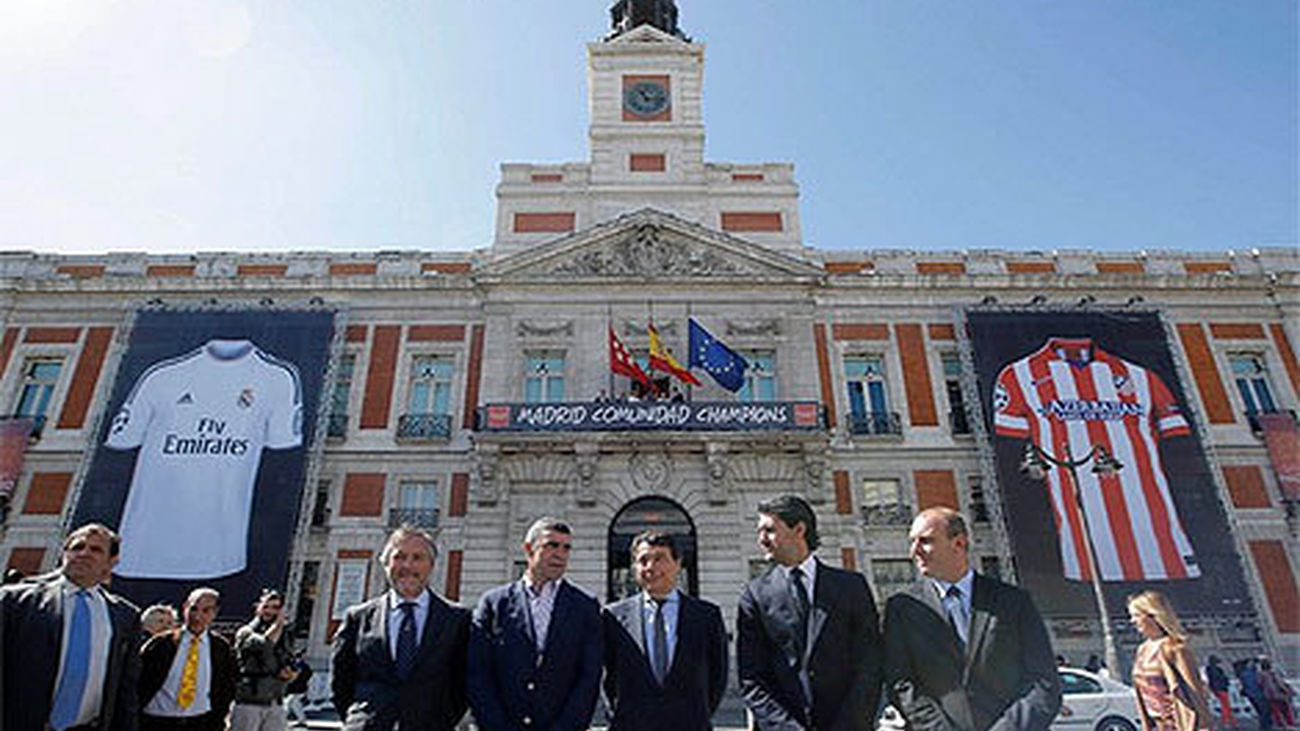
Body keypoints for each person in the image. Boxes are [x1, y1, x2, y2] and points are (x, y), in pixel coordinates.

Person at [883, 507, 1061, 731]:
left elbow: (1043, 683)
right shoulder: (902, 608)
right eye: (913, 541)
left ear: (958, 544)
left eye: (926, 541)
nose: (914, 551)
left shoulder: (1014, 602)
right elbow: (902, 684)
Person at [737, 494, 884, 731]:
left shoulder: (851, 586)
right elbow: (753, 679)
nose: (761, 540)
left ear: (799, 529)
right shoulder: (755, 595)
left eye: (769, 530)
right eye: (760, 532)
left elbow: (870, 663)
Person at [0, 522, 142, 731]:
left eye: (95, 549)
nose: (84, 553)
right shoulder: (16, 601)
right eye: (77, 547)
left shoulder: (125, 616)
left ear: (111, 562)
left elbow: (125, 687)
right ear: (64, 554)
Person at [468, 517, 602, 731]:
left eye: (566, 548)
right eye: (552, 545)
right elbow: (478, 674)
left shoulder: (585, 606)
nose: (560, 554)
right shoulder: (494, 604)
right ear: (529, 549)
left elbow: (589, 678)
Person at [330, 525, 470, 731]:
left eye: (417, 558)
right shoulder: (357, 618)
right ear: (385, 564)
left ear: (431, 565)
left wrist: (443, 721)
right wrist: (360, 720)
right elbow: (341, 682)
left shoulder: (457, 619)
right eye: (399, 557)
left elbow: (463, 682)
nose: (408, 565)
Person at [602, 531, 727, 731]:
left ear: (678, 564)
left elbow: (718, 677)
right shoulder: (613, 617)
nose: (651, 567)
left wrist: (697, 714)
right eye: (643, 560)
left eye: (660, 558)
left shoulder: (706, 616)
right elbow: (607, 677)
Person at [139, 586, 237, 731]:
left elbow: (225, 687)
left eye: (206, 611)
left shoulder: (220, 648)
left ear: (214, 613)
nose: (197, 616)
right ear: (185, 607)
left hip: (199, 721)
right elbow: (137, 681)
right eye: (193, 609)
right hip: (157, 720)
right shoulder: (161, 644)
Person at [1127, 590, 1211, 731]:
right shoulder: (1142, 650)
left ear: (1153, 616)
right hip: (1156, 724)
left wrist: (1203, 725)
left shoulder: (1174, 648)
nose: (1132, 621)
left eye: (1136, 615)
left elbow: (1195, 691)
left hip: (1178, 724)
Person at [231, 589, 299, 731]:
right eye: (266, 607)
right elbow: (264, 645)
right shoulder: (246, 631)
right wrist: (278, 624)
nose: (270, 611)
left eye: (275, 608)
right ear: (258, 608)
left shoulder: (285, 634)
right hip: (250, 699)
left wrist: (292, 672)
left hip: (275, 698)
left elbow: (291, 658)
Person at [1258, 658, 1295, 728]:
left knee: (1276, 710)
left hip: (1268, 695)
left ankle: (1280, 724)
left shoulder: (1260, 675)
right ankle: (1288, 723)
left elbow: (1260, 685)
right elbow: (1279, 683)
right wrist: (1288, 691)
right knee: (1285, 709)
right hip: (1278, 694)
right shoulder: (1273, 674)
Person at [1204, 655, 1233, 728]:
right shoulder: (1215, 670)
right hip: (1221, 688)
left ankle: (1228, 721)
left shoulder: (1210, 670)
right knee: (1225, 705)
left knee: (1225, 705)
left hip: (1218, 688)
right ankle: (1227, 721)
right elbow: (1219, 679)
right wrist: (1225, 682)